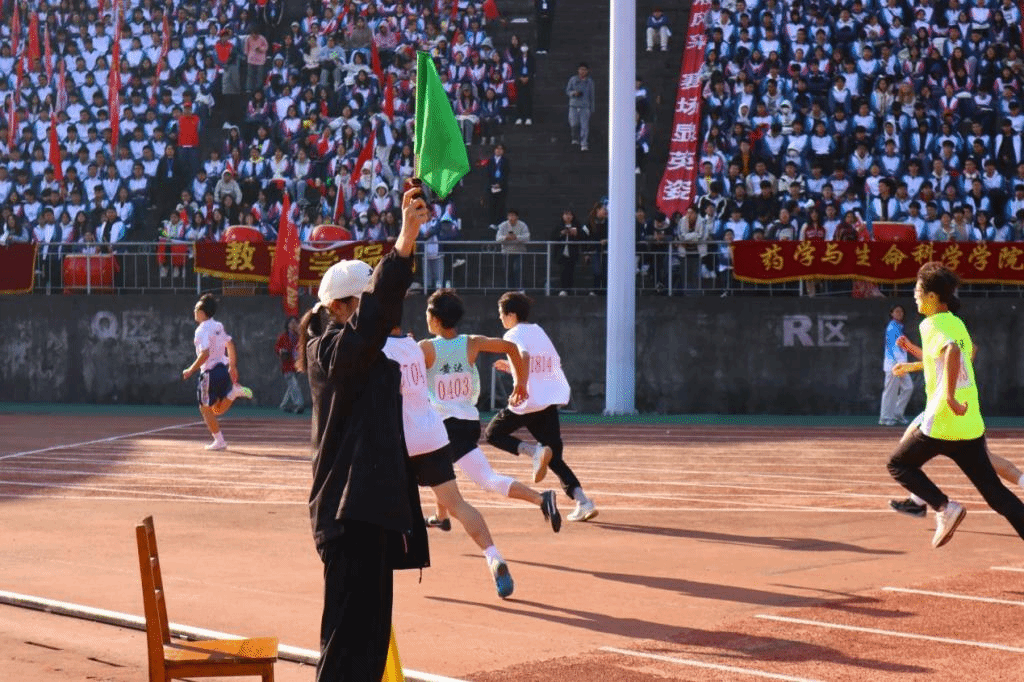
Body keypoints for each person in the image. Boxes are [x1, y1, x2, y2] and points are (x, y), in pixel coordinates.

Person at [297, 186, 430, 682]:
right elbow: (372, 322)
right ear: (339, 307)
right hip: (346, 514)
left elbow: (375, 322)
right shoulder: (328, 350)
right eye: (365, 303)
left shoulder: (366, 354)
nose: (390, 314)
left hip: (370, 512)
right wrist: (404, 242)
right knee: (346, 645)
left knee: (371, 644)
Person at [885, 262, 1024, 548]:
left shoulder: (930, 324)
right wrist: (911, 360)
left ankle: (943, 507)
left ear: (932, 296)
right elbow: (958, 355)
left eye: (917, 292)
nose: (914, 297)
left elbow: (951, 351)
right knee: (996, 494)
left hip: (943, 419)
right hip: (969, 419)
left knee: (899, 464)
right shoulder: (955, 323)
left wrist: (948, 396)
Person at [383, 326, 520, 599]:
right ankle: (494, 556)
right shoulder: (414, 346)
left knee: (379, 505)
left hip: (401, 440)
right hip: (432, 434)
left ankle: (375, 572)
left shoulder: (377, 349)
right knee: (457, 504)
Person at [419, 289, 561, 533]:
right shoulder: (472, 342)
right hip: (467, 423)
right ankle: (441, 516)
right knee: (440, 467)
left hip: (448, 426)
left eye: (427, 314)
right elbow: (512, 348)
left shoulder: (425, 348)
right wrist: (521, 384)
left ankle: (541, 499)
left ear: (435, 318)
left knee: (485, 479)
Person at [485, 292, 598, 522]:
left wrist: (521, 385)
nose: (500, 318)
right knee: (553, 457)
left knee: (492, 434)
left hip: (527, 402)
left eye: (501, 314)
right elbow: (544, 361)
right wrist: (512, 367)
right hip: (546, 401)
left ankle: (533, 452)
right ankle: (583, 501)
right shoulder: (538, 331)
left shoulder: (512, 334)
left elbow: (525, 356)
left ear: (512, 315)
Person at [889, 334, 1024, 516]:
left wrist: (912, 361)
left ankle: (922, 501)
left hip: (945, 408)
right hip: (960, 407)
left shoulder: (946, 330)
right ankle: (917, 500)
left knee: (904, 456)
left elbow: (958, 356)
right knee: (986, 459)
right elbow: (943, 359)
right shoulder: (950, 331)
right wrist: (911, 352)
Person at [181, 294, 254, 451]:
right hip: (222, 371)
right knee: (216, 409)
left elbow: (205, 353)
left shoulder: (201, 330)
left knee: (204, 408)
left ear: (202, 312)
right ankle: (233, 393)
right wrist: (232, 366)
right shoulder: (218, 326)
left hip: (209, 373)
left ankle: (219, 441)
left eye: (196, 308)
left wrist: (190, 370)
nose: (194, 311)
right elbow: (230, 344)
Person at [879, 305, 914, 426]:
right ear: (892, 313)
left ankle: (897, 413)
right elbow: (894, 348)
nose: (899, 313)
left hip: (901, 365)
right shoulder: (892, 328)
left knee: (908, 387)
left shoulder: (899, 327)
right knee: (890, 392)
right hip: (893, 365)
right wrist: (900, 364)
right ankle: (885, 417)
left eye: (901, 311)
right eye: (897, 311)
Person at [275, 316, 304, 413]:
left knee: (291, 386)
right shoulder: (283, 337)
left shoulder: (299, 337)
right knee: (294, 384)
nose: (294, 324)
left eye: (295, 323)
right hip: (287, 365)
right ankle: (299, 404)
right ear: (287, 325)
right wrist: (281, 351)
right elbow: (277, 348)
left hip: (297, 365)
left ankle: (283, 405)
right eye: (292, 323)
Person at [495, 208, 530, 291]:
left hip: (519, 252)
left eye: (513, 215)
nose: (511, 218)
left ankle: (520, 289)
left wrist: (516, 237)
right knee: (508, 271)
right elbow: (498, 238)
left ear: (517, 217)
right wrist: (506, 238)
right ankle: (510, 290)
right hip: (506, 252)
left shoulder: (522, 225)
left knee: (518, 269)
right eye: (509, 215)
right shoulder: (503, 225)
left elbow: (527, 237)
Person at [566, 62, 595, 151]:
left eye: (584, 70)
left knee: (584, 126)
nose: (582, 72)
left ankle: (584, 143)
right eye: (581, 69)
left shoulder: (589, 82)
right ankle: (575, 138)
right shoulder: (573, 79)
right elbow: (567, 91)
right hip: (574, 106)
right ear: (578, 70)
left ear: (587, 71)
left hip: (584, 107)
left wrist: (592, 108)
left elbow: (592, 95)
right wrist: (573, 93)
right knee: (573, 123)